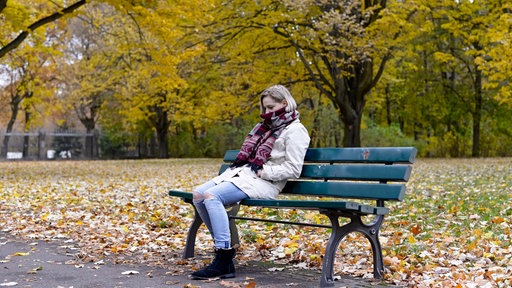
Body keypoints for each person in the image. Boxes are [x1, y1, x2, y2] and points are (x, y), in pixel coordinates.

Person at [190, 84, 311, 280]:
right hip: (244, 174)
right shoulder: (264, 128)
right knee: (198, 195)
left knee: (212, 197)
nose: (267, 113)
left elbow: (294, 169)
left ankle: (222, 258)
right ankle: (225, 251)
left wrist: (264, 171)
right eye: (264, 108)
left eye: (271, 108)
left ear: (285, 103)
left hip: (266, 181)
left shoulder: (295, 130)